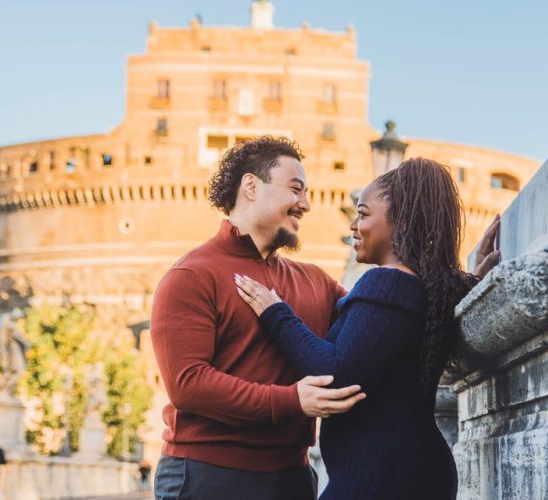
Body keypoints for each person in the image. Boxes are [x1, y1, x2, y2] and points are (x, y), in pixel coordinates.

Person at [235, 158, 485, 499]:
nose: (354, 224)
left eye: (364, 214)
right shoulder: (428, 286)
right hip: (409, 469)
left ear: (402, 222)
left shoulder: (387, 282)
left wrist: (276, 312)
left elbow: (335, 375)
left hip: (381, 476)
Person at [150, 136, 366, 500]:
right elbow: (188, 384)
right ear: (251, 186)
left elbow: (376, 320)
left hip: (293, 479)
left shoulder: (315, 282)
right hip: (207, 477)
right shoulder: (191, 275)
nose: (306, 205)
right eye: (295, 189)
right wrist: (291, 401)